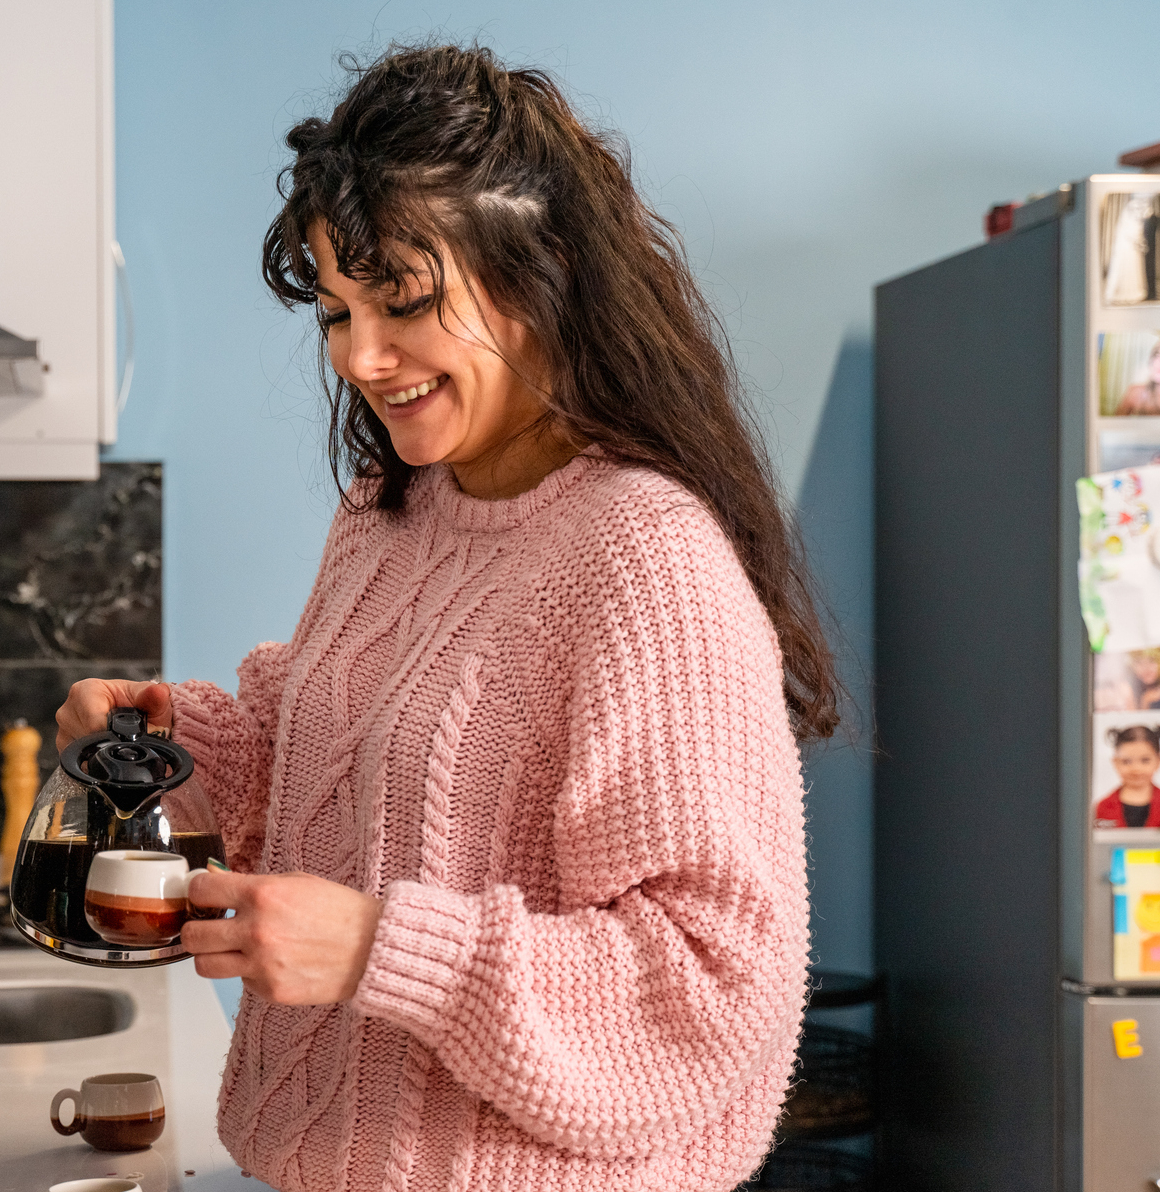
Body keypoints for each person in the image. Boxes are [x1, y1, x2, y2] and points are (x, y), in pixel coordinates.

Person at [54, 45, 834, 1192]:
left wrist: (381, 950)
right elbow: (323, 762)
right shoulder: (388, 513)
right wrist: (167, 745)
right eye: (335, 311)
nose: (359, 356)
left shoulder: (642, 556)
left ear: (541, 273)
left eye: (403, 302)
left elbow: (715, 988)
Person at [1094, 725, 1160, 829]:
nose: (1136, 769)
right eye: (1126, 761)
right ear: (1115, 762)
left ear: (1158, 761)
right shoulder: (1102, 808)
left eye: (1145, 760)